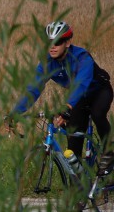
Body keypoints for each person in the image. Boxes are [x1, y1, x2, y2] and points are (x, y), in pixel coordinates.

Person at [10, 21, 114, 175]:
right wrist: (15, 112)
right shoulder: (47, 63)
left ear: (67, 43)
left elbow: (81, 84)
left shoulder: (82, 57)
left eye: (57, 42)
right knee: (72, 146)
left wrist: (67, 107)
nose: (52, 46)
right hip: (78, 98)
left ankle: (109, 151)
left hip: (99, 91)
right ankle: (78, 189)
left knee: (98, 113)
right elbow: (33, 89)